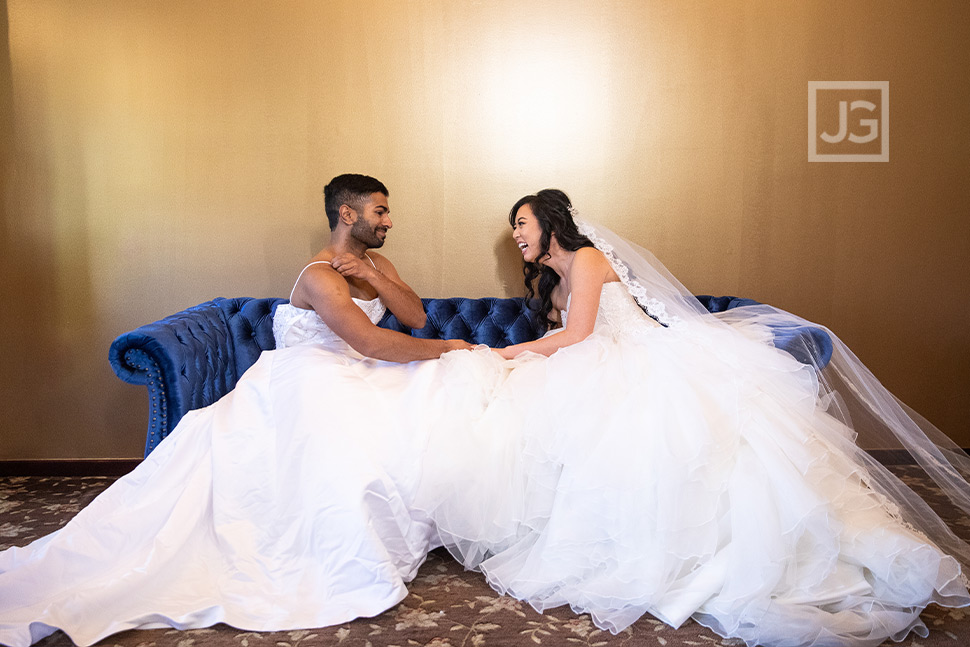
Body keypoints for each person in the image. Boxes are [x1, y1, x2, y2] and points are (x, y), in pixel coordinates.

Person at [411, 189, 970, 647]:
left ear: (552, 222)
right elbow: (565, 336)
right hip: (598, 364)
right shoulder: (555, 283)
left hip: (642, 360)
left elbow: (579, 335)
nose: (516, 233)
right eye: (514, 225)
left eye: (523, 222)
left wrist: (499, 354)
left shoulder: (586, 259)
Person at [0, 174, 476, 647]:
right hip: (309, 374)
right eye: (380, 211)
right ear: (347, 214)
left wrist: (374, 275)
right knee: (351, 427)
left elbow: (414, 317)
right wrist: (448, 347)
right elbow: (369, 340)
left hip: (356, 369)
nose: (389, 221)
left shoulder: (378, 263)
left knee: (432, 394)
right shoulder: (319, 275)